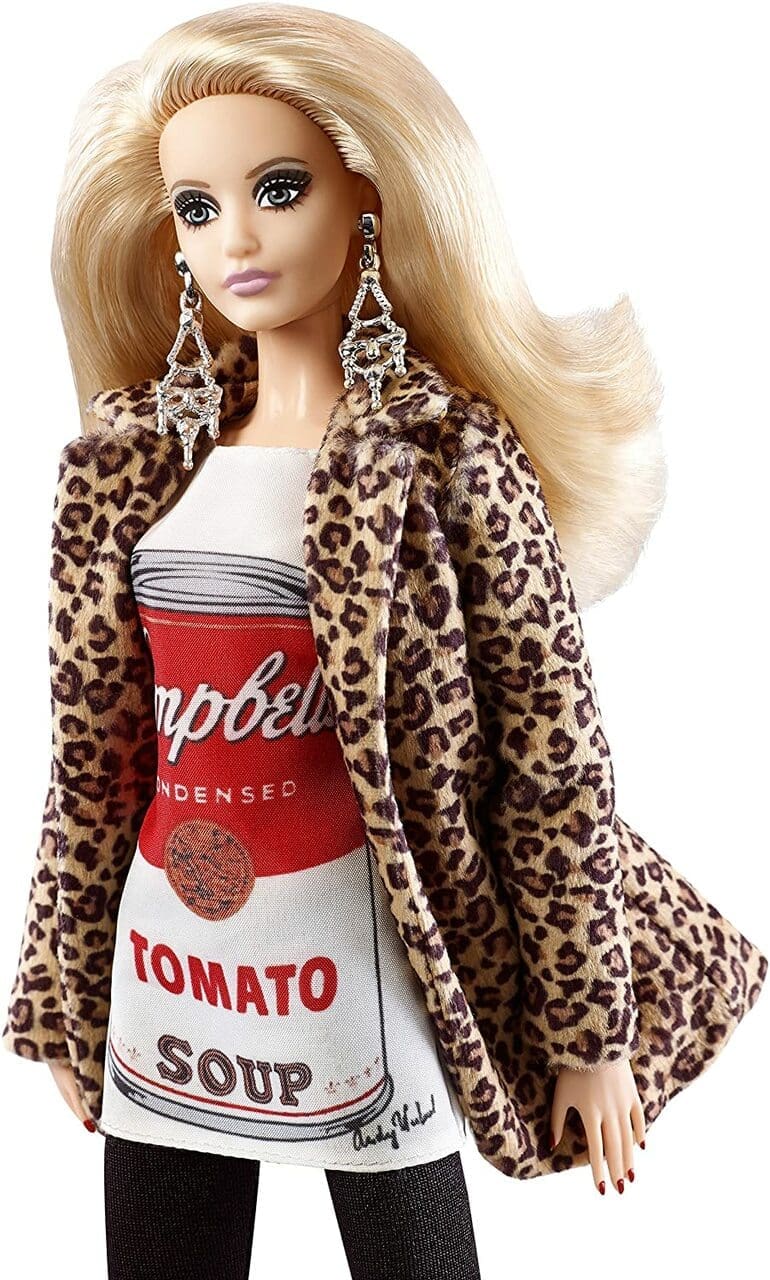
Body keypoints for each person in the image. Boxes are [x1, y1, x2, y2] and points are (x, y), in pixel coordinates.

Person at [4, 7, 766, 1279]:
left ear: (368, 197)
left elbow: (549, 761)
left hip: (360, 971)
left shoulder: (444, 458)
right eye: (196, 207)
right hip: (168, 970)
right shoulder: (127, 464)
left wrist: (590, 1031)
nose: (235, 239)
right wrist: (65, 990)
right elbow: (94, 767)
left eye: (277, 189)